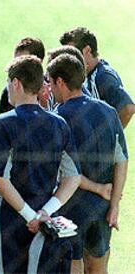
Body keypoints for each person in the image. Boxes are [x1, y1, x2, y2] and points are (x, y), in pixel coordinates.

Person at [0, 55, 81, 273]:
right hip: (46, 216)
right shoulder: (59, 123)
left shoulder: (1, 124)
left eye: (9, 82)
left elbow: (1, 179)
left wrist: (29, 215)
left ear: (16, 82)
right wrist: (43, 213)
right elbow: (73, 177)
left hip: (10, 216)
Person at [47, 53, 128, 274]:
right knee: (99, 265)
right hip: (102, 208)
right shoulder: (108, 111)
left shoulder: (58, 118)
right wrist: (114, 204)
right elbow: (122, 160)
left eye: (50, 82)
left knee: (72, 264)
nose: (50, 88)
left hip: (70, 207)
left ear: (60, 82)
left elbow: (64, 172)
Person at [59, 27, 135, 128]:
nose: (69, 61)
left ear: (87, 50)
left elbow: (128, 108)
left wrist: (110, 135)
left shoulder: (103, 76)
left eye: (73, 54)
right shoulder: (88, 74)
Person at [0, 37, 47, 113]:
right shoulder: (10, 89)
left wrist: (44, 103)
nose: (17, 65)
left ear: (39, 62)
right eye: (16, 61)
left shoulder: (54, 88)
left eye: (23, 61)